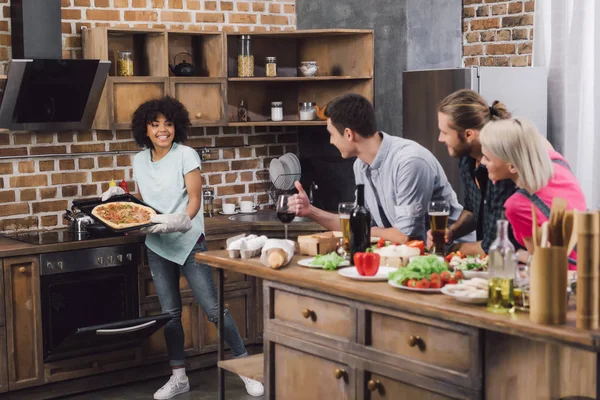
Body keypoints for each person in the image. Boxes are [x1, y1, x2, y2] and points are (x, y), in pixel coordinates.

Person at [102, 96, 263, 399]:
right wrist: (121, 202)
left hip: (189, 241)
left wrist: (179, 221)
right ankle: (179, 378)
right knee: (170, 314)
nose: (163, 129)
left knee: (214, 309)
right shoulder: (138, 161)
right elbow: (146, 206)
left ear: (177, 126)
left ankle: (246, 368)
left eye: (168, 123)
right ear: (145, 130)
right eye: (155, 124)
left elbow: (194, 201)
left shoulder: (186, 155)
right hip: (158, 243)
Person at [289, 93, 463, 244]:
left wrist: (360, 230)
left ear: (349, 134)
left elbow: (405, 236)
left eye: (332, 134)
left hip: (454, 256)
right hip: (408, 257)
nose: (331, 141)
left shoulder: (409, 162)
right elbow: (356, 221)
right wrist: (310, 211)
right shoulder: (360, 165)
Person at [479, 117, 586, 269]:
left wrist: (517, 255)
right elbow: (530, 140)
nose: (482, 162)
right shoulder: (557, 162)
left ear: (512, 167)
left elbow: (540, 263)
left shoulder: (518, 206)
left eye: (488, 158)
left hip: (568, 280)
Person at [432, 89, 521, 256]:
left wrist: (451, 250)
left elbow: (495, 245)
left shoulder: (502, 169)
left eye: (445, 132)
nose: (440, 139)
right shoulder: (467, 159)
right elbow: (473, 210)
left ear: (468, 134)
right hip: (486, 264)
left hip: (512, 266)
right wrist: (452, 232)